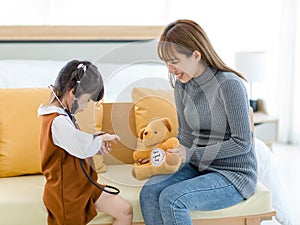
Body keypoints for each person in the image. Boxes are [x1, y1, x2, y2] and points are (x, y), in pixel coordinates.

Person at [139, 19, 258, 225]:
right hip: (198, 166)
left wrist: (191, 153)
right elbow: (185, 137)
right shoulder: (182, 87)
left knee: (172, 199)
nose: (169, 69)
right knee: (149, 192)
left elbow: (242, 143)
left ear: (196, 54)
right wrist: (160, 157)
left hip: (233, 174)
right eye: (166, 62)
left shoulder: (229, 84)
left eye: (174, 61)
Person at [38, 60, 133, 225]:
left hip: (84, 184)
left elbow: (74, 146)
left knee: (125, 210)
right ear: (73, 92)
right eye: (87, 100)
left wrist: (96, 145)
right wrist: (99, 139)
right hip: (67, 194)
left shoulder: (64, 115)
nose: (86, 106)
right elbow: (79, 145)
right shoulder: (56, 121)